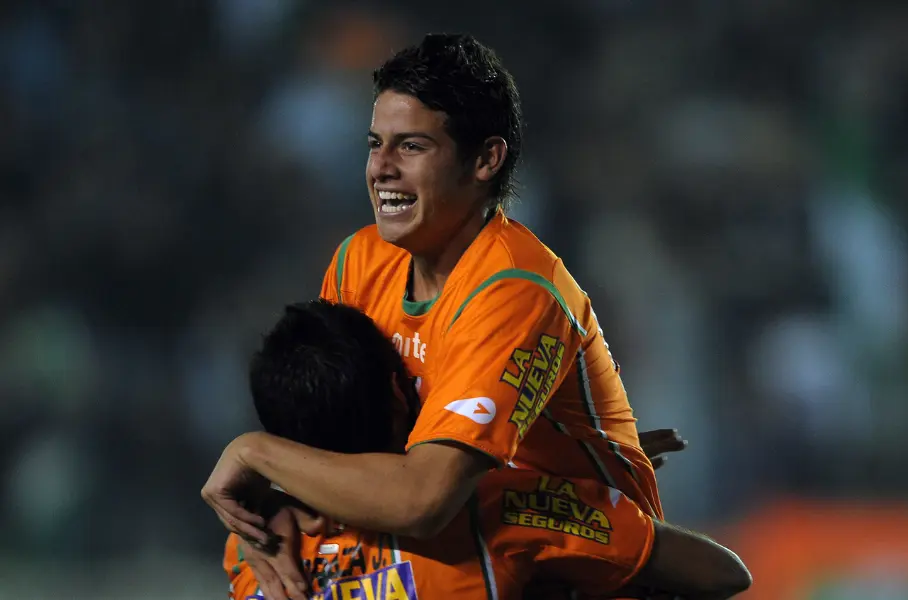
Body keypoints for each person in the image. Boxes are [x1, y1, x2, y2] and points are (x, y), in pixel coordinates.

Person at [203, 33, 668, 599]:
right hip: (436, 553)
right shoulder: (360, 260)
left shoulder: (515, 288)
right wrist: (273, 504)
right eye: (375, 144)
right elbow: (334, 440)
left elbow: (422, 502)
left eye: (412, 147)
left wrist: (253, 454)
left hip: (566, 574)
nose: (381, 168)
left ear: (485, 160)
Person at [223, 300, 750, 600]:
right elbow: (722, 573)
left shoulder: (253, 551)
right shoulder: (496, 508)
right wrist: (580, 483)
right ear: (394, 391)